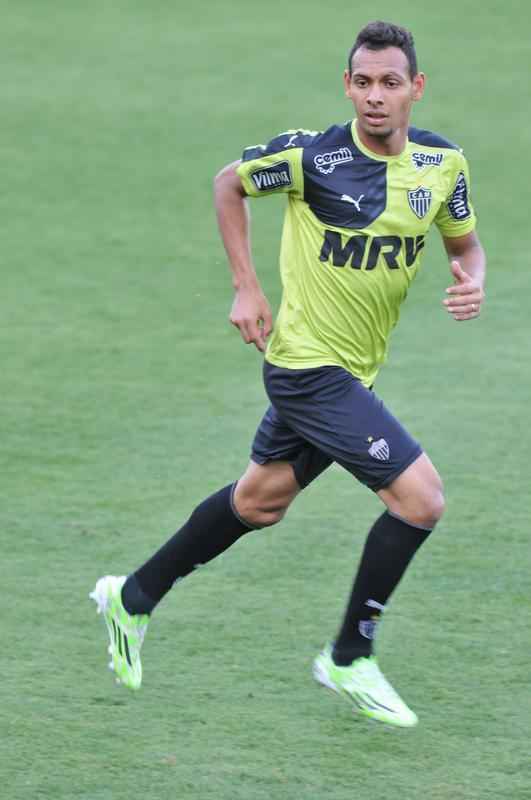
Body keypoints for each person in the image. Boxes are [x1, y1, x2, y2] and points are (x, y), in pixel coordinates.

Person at [91, 20, 486, 727]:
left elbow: (466, 244)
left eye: (389, 82)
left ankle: (132, 597)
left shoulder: (442, 165)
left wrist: (471, 278)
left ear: (415, 88)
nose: (374, 96)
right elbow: (228, 184)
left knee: (259, 502)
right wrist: (246, 287)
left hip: (353, 372)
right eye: (362, 82)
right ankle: (349, 656)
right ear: (347, 87)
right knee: (421, 499)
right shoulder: (312, 158)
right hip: (307, 370)